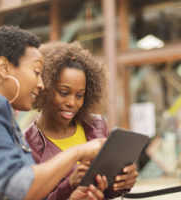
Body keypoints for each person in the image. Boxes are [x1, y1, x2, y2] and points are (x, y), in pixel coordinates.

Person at [0, 25, 108, 200]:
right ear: (4, 67)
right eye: (37, 72)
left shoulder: (3, 119)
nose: (41, 85)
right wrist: (78, 152)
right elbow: (12, 190)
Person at [24, 41, 138, 200]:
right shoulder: (27, 144)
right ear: (44, 87)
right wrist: (70, 184)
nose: (72, 103)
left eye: (79, 96)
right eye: (64, 93)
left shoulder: (96, 126)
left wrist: (123, 181)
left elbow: (106, 191)